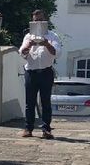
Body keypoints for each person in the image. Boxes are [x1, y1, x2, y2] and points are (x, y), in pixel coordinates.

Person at [18, 9, 62, 139]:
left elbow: (57, 53)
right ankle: (28, 128)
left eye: (40, 20)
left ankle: (46, 129)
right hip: (31, 72)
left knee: (45, 102)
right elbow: (22, 53)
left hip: (46, 72)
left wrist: (46, 44)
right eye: (35, 21)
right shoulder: (28, 36)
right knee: (29, 102)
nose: (38, 23)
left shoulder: (52, 36)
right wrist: (29, 45)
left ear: (45, 21)